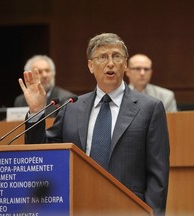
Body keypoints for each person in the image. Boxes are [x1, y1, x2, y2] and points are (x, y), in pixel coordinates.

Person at [18, 33, 170, 215]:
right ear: (91, 65)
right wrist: (36, 112)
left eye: (116, 56)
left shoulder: (150, 108)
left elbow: (158, 173)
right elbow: (43, 154)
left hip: (129, 209)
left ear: (126, 64)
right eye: (102, 57)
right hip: (80, 206)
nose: (111, 63)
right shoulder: (71, 108)